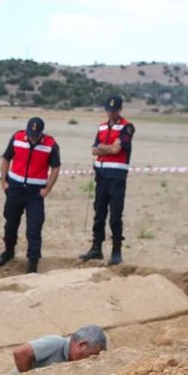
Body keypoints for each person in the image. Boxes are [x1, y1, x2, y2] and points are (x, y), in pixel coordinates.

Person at [0, 117, 61, 274]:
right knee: (10, 224)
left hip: (35, 193)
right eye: (30, 133)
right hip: (15, 189)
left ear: (41, 133)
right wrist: (3, 181)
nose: (32, 137)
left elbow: (56, 167)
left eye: (36, 134)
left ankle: (32, 263)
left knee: (34, 228)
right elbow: (6, 158)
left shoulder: (51, 144)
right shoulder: (17, 138)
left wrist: (47, 189)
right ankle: (8, 252)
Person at [81, 95, 136, 266]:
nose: (110, 113)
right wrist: (109, 148)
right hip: (102, 175)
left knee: (115, 216)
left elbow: (118, 149)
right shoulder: (102, 127)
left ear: (119, 110)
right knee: (99, 213)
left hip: (117, 177)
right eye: (108, 110)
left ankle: (116, 251)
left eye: (114, 110)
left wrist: (107, 149)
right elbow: (94, 150)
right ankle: (96, 247)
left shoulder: (127, 127)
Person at [12, 325, 108, 372]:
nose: (90, 360)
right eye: (91, 355)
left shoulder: (73, 362)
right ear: (81, 345)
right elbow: (20, 353)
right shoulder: (56, 343)